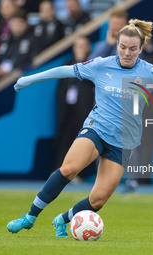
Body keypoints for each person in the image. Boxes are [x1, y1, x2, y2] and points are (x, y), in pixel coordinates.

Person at [6, 19, 153, 237]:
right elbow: (64, 70)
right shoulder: (101, 65)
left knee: (97, 200)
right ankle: (30, 217)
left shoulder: (150, 72)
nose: (127, 52)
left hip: (123, 142)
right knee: (68, 169)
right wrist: (29, 79)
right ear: (117, 45)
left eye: (133, 49)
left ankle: (62, 218)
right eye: (123, 47)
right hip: (97, 128)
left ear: (141, 49)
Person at [55, 36, 95, 170]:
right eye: (78, 46)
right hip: (67, 109)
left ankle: (79, 172)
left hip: (84, 110)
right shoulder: (67, 65)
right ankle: (60, 169)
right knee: (64, 138)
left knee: (81, 140)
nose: (80, 49)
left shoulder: (92, 65)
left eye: (83, 46)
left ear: (88, 48)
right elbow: (60, 88)